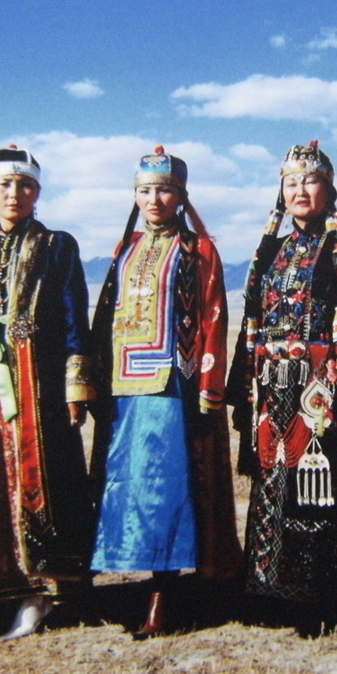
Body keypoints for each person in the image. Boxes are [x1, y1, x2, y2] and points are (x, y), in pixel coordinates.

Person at [228, 141, 337, 635]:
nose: (300, 190)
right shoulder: (270, 253)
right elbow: (251, 320)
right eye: (291, 182)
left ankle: (327, 598)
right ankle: (270, 593)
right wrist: (241, 389)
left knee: (324, 490)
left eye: (311, 180)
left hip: (326, 389)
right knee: (274, 486)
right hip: (273, 387)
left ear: (329, 189)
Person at [89, 147, 241, 639]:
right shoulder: (125, 247)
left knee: (163, 488)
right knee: (121, 484)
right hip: (121, 386)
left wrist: (209, 387)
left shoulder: (198, 249)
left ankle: (163, 593)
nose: (154, 200)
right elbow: (105, 315)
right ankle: (123, 579)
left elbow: (213, 316)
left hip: (172, 383)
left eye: (164, 190)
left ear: (181, 195)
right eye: (145, 190)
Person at [0, 145, 96, 641]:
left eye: (26, 185)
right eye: (6, 184)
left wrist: (75, 385)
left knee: (43, 481)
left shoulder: (57, 245)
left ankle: (41, 594)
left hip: (39, 386)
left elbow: (75, 316)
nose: (15, 193)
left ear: (38, 193)